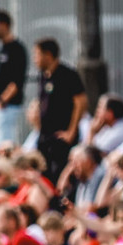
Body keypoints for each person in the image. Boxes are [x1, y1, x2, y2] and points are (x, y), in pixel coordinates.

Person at [33, 37, 87, 181]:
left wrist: (71, 131)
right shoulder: (43, 76)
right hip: (45, 136)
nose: (35, 59)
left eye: (37, 55)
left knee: (60, 174)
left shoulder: (67, 74)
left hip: (61, 136)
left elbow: (81, 102)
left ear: (48, 55)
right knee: (44, 174)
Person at [0, 9, 28, 153]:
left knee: (5, 146)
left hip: (7, 106)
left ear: (4, 25)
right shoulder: (1, 48)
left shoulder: (17, 49)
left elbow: (17, 80)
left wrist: (3, 100)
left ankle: (6, 173)